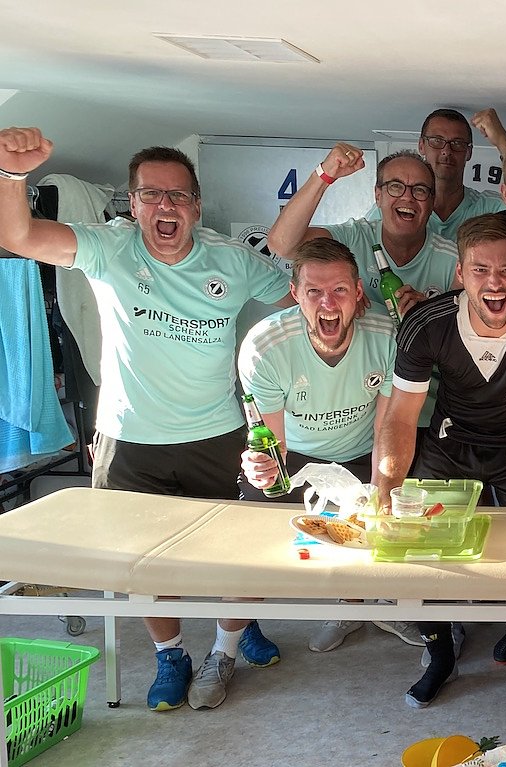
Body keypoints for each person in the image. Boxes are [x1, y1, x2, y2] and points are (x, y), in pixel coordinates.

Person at [0, 126, 293, 712]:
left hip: (218, 435)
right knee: (141, 565)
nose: (166, 205)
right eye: (152, 194)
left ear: (196, 206)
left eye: (178, 195)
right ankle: (171, 654)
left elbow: (302, 297)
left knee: (237, 555)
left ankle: (231, 641)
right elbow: (20, 235)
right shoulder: (108, 248)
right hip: (129, 438)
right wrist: (11, 176)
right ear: (132, 204)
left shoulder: (232, 261)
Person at [374, 213, 506, 708]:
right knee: (418, 549)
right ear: (460, 273)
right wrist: (386, 485)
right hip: (449, 442)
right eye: (481, 270)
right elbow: (401, 416)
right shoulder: (427, 323)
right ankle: (440, 655)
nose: (494, 283)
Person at [237, 238, 396, 655]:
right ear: (295, 294)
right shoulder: (266, 345)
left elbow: (387, 429)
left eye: (339, 289)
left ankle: (355, 607)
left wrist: (379, 490)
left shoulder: (385, 336)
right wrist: (262, 468)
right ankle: (225, 644)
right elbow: (271, 443)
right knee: (249, 546)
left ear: (358, 292)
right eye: (314, 291)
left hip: (360, 451)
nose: (328, 303)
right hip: (297, 456)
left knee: (383, 517)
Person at [267, 145, 460, 321]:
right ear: (378, 195)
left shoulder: (453, 260)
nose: (407, 197)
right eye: (395, 186)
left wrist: (431, 314)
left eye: (420, 190)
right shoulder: (354, 237)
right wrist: (324, 175)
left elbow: (463, 329)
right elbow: (282, 245)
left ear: (432, 202)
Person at [419, 108, 506, 241]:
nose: (447, 151)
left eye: (457, 143)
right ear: (421, 145)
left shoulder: (490, 208)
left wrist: (503, 141)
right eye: (437, 140)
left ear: (469, 152)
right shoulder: (404, 207)